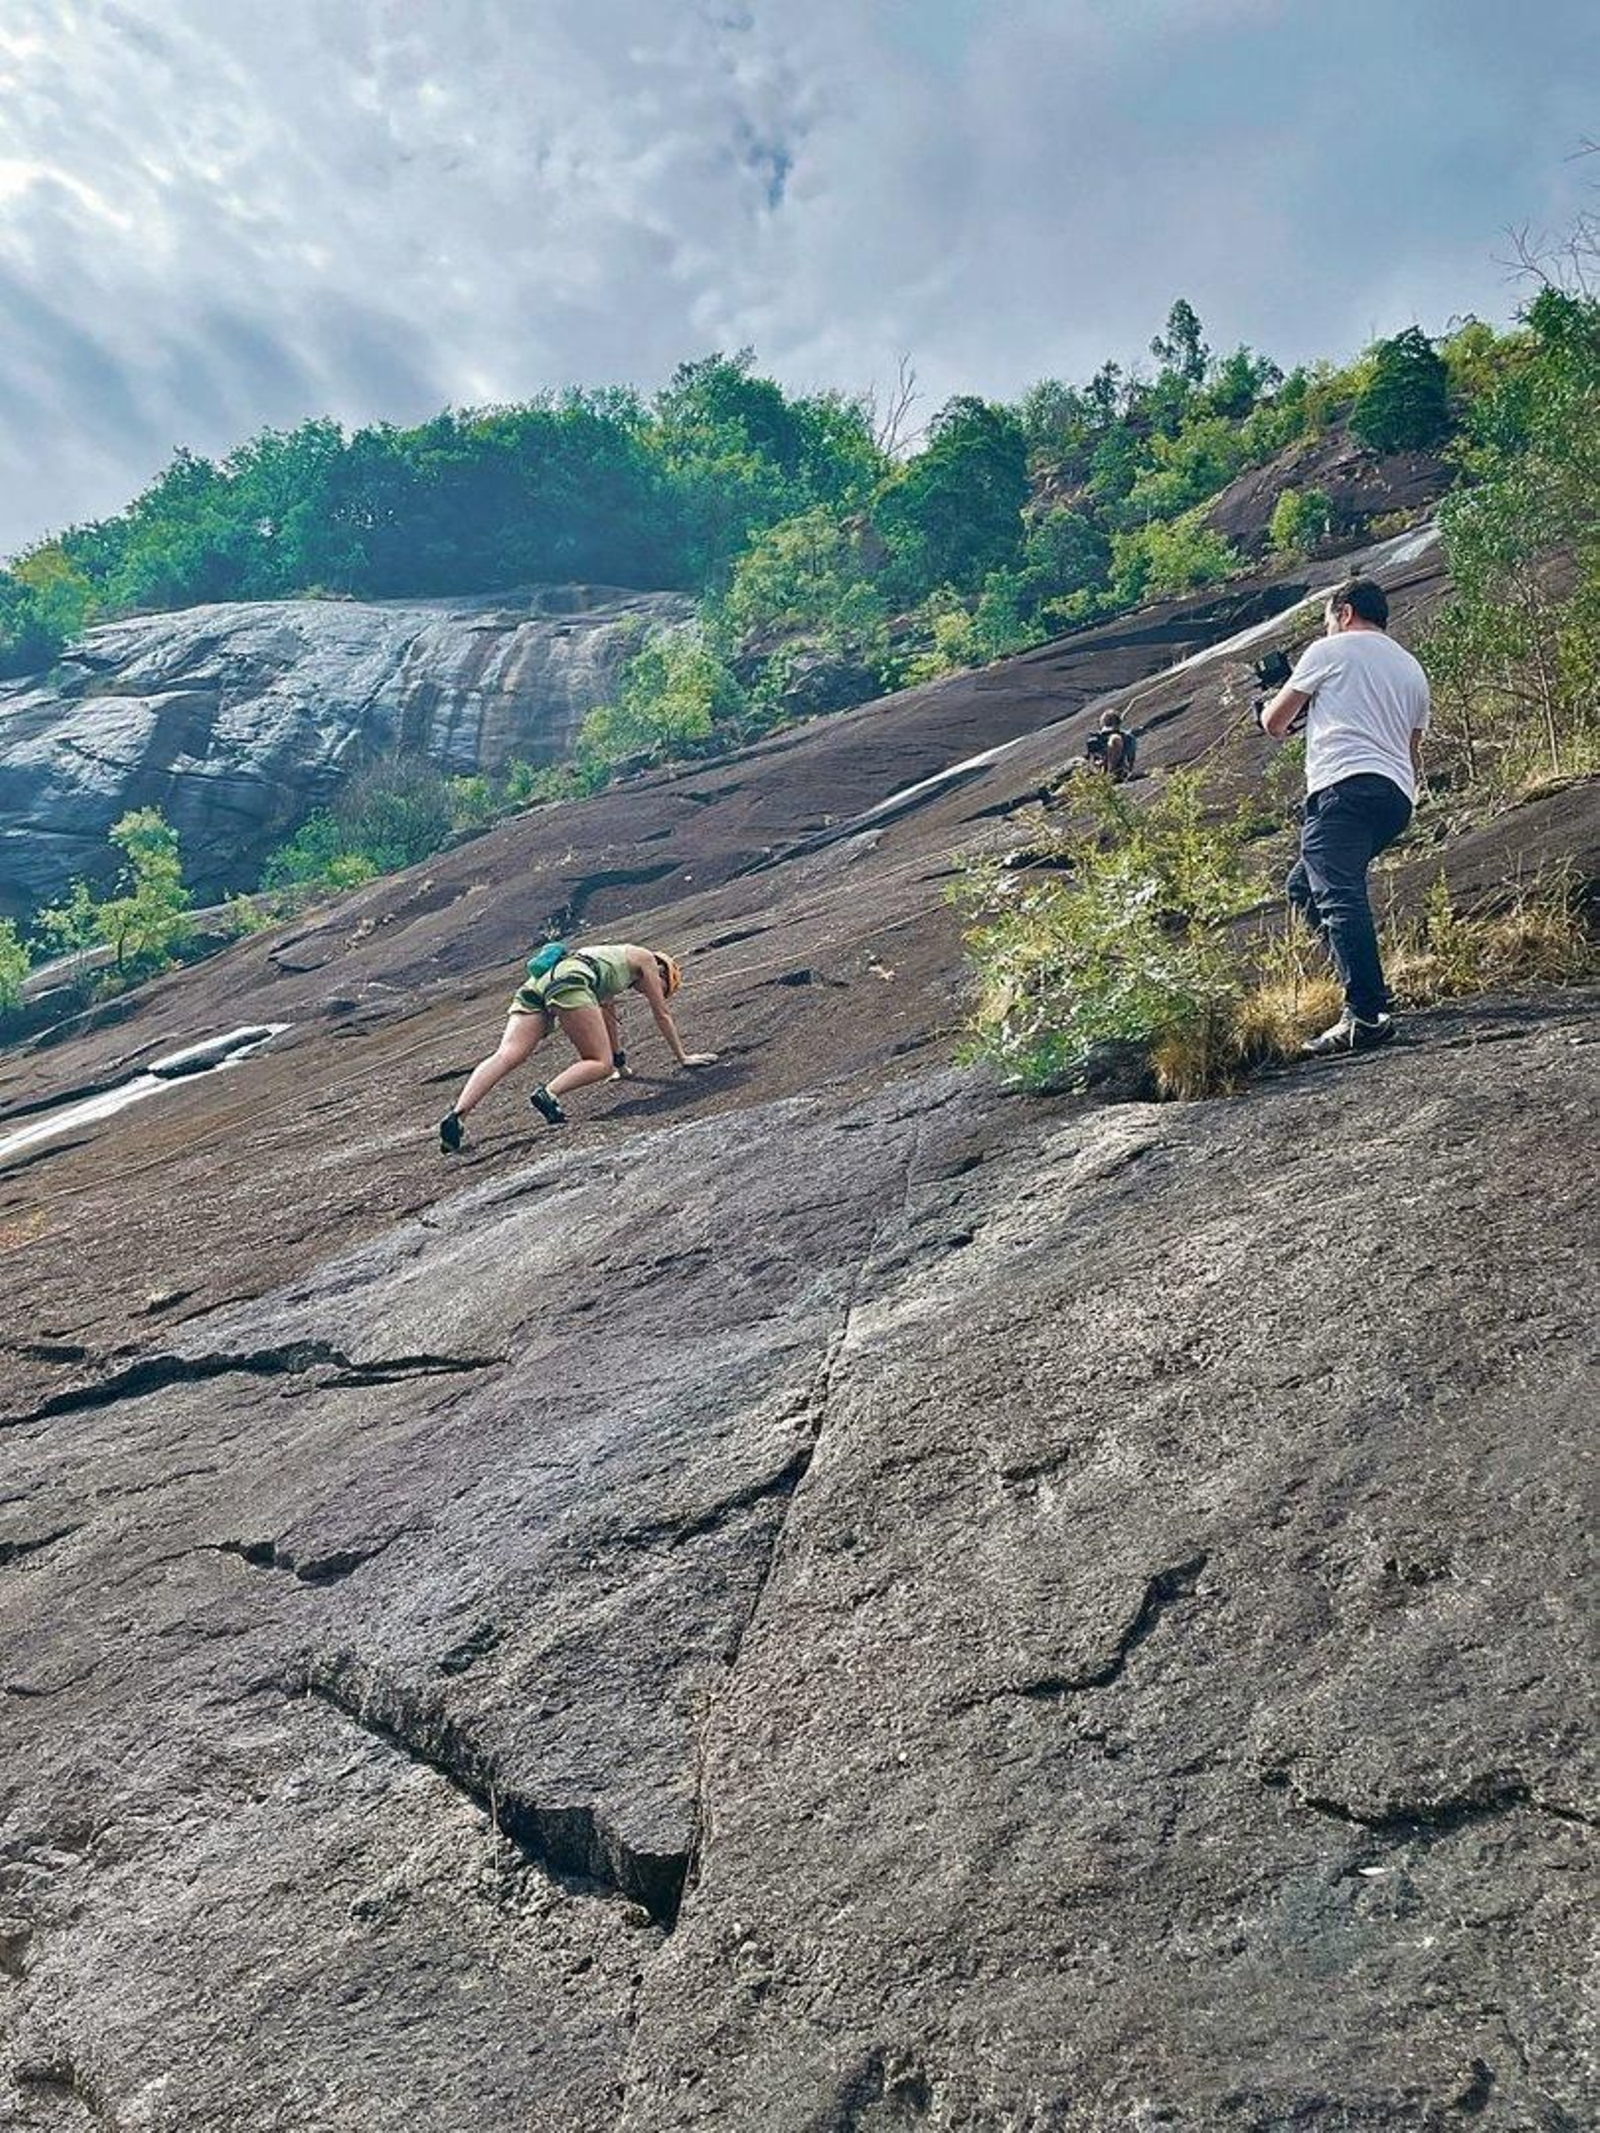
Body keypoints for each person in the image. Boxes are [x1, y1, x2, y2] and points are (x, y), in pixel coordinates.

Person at [1258, 576, 1429, 1056]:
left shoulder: (1328, 651)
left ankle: (1367, 1014)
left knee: (1338, 895)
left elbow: (1274, 724)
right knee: (1303, 886)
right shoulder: (1412, 668)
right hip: (1394, 797)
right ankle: (1362, 984)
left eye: (1329, 619)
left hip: (1343, 790)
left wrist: (1279, 710)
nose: (1329, 627)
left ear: (1346, 612)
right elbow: (1410, 746)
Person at [438, 943, 717, 1151]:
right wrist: (683, 1057)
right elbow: (662, 1013)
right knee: (598, 1063)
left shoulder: (611, 962)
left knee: (507, 1055)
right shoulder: (644, 958)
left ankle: (458, 1116)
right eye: (663, 985)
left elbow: (606, 1016)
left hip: (540, 983)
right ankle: (548, 1094)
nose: (650, 990)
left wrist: (620, 1063)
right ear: (662, 971)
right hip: (571, 982)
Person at [1084, 708, 1136, 781]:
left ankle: (1110, 773)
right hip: (1122, 773)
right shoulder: (1129, 738)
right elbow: (1131, 759)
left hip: (1102, 775)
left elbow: (1091, 760)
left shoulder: (1094, 740)